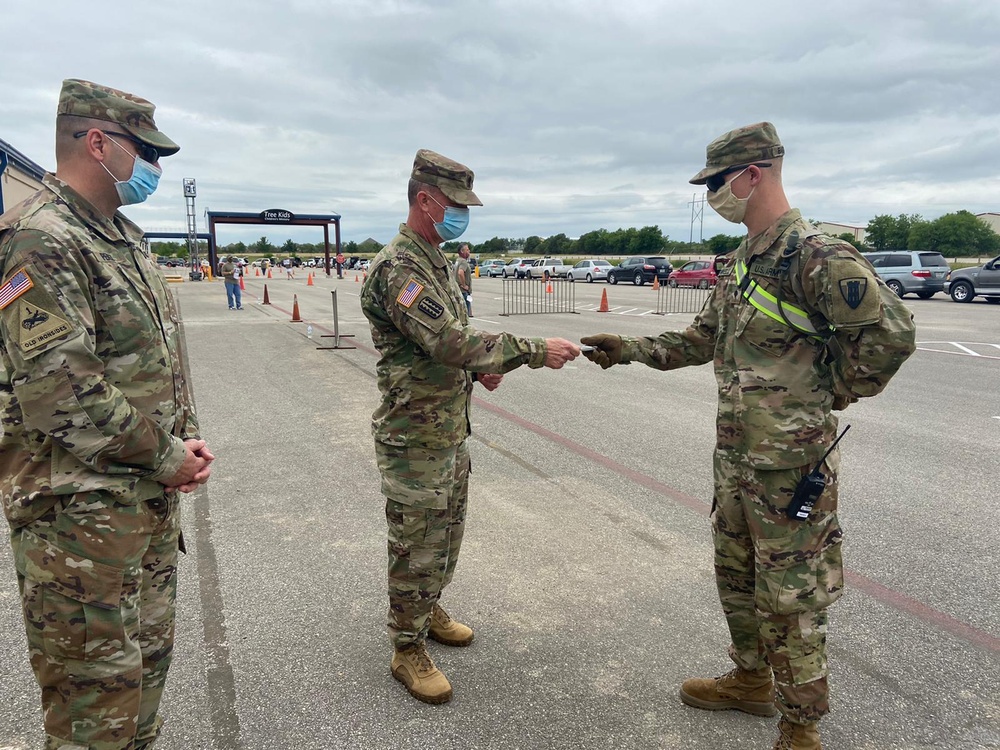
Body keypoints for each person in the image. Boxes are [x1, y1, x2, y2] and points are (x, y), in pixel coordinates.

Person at [581, 123, 915, 750]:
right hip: (736, 456)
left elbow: (892, 337)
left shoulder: (817, 255)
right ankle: (750, 680)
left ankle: (800, 726)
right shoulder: (742, 262)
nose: (714, 194)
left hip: (790, 465)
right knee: (735, 575)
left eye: (716, 182)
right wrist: (625, 347)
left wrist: (830, 394)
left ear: (753, 173)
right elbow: (701, 338)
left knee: (790, 594)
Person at [0, 78, 214, 750]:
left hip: (141, 516)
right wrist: (169, 455)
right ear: (97, 142)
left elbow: (151, 361)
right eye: (145, 151)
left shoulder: (122, 237)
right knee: (95, 716)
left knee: (141, 695)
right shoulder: (39, 240)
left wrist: (187, 436)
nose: (154, 168)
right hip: (79, 532)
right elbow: (62, 390)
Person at [360, 149, 580, 706]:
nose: (463, 214)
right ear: (425, 200)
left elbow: (452, 338)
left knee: (447, 533)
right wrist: (530, 350)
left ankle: (428, 606)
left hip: (447, 428)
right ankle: (406, 647)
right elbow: (447, 341)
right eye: (456, 204)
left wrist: (480, 372)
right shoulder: (399, 269)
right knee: (417, 543)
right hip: (414, 438)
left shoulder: (434, 260)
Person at [454, 242, 473, 316]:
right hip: (463, 291)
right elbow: (460, 273)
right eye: (467, 250)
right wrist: (464, 285)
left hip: (457, 290)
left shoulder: (457, 261)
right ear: (462, 251)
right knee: (465, 314)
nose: (469, 251)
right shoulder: (463, 261)